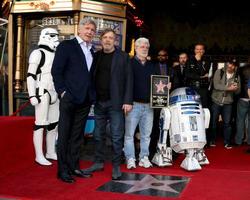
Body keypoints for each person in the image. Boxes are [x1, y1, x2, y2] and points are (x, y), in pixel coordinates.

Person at [82, 28, 133, 180]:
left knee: (117, 136)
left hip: (116, 103)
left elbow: (129, 80)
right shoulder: (96, 56)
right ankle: (98, 162)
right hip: (99, 102)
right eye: (105, 37)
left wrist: (127, 101)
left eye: (111, 38)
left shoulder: (123, 57)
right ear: (101, 39)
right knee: (98, 135)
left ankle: (116, 165)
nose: (107, 40)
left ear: (115, 40)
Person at [52, 18, 96, 183]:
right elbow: (56, 70)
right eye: (87, 28)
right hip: (69, 98)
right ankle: (62, 171)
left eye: (92, 29)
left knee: (77, 136)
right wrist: (62, 91)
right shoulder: (67, 46)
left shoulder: (92, 50)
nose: (89, 31)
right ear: (79, 29)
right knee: (64, 135)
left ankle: (74, 167)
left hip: (85, 100)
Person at [124, 38, 170, 169]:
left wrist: (166, 85)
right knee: (129, 135)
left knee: (146, 135)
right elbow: (124, 83)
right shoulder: (129, 62)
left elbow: (158, 83)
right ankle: (130, 158)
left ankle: (144, 157)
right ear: (136, 48)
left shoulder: (152, 65)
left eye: (146, 47)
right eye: (141, 46)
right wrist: (126, 101)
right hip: (132, 104)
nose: (144, 48)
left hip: (149, 105)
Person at [27, 28, 59, 166]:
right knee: (40, 124)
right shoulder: (37, 53)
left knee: (54, 124)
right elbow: (31, 75)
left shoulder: (56, 54)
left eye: (56, 36)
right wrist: (32, 94)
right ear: (45, 36)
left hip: (54, 91)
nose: (56, 38)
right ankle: (39, 155)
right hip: (42, 91)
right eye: (52, 36)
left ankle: (50, 151)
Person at [210, 59, 240, 149]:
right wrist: (228, 88)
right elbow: (216, 85)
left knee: (227, 123)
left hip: (228, 103)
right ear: (226, 64)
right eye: (229, 63)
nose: (230, 66)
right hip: (216, 101)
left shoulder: (236, 76)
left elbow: (238, 91)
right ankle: (212, 140)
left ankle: (227, 142)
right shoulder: (219, 72)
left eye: (233, 65)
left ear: (235, 66)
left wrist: (235, 89)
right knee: (213, 122)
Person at [185, 43, 212, 108]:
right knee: (192, 106)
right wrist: (200, 77)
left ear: (204, 51)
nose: (199, 51)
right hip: (192, 87)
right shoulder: (189, 60)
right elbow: (187, 74)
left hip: (203, 88)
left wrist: (199, 61)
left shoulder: (207, 60)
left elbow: (204, 73)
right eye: (197, 49)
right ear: (194, 50)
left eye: (201, 49)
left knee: (203, 107)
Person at [235, 61, 250, 146]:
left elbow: (236, 82)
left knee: (240, 120)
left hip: (243, 97)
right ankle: (249, 141)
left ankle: (239, 141)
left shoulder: (241, 69)